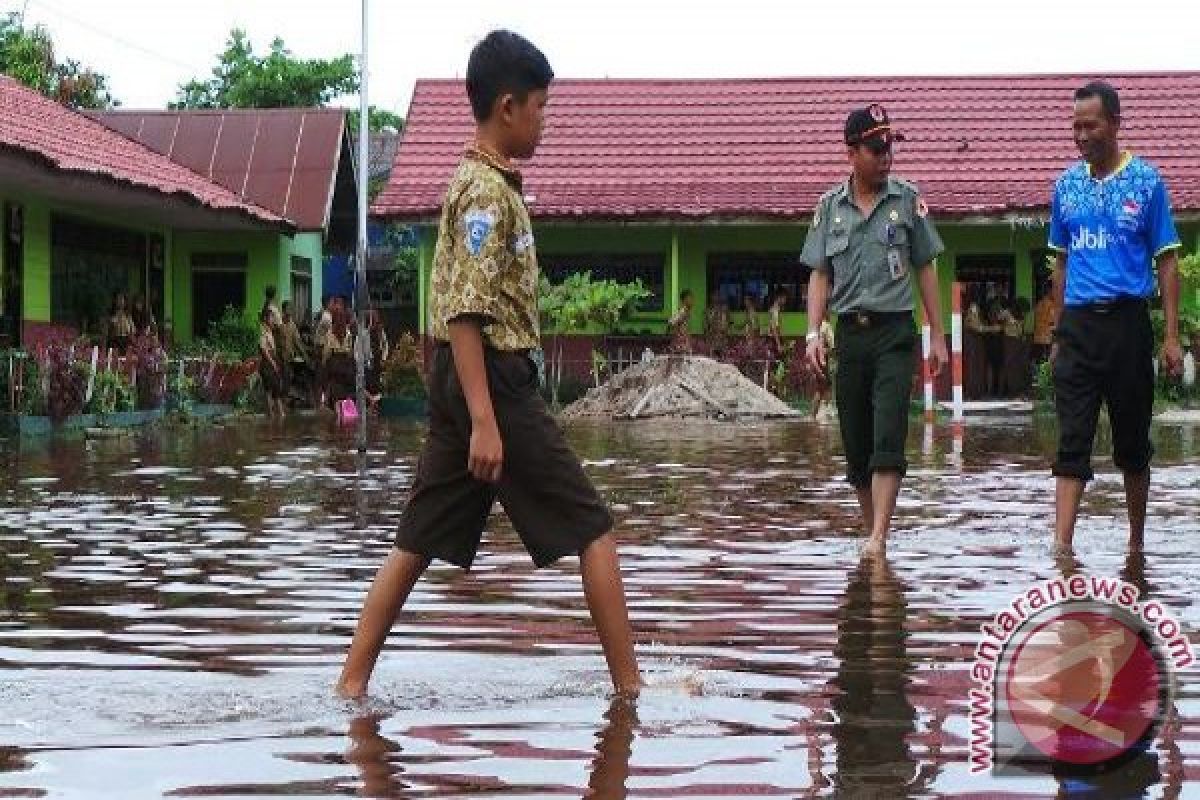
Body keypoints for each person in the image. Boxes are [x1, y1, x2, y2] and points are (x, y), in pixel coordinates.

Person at [336, 30, 640, 699]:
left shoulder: (489, 184)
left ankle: (350, 686)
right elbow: (467, 313)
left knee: (415, 538)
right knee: (594, 528)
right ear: (508, 108)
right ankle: (631, 694)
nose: (545, 120)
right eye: (540, 107)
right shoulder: (483, 195)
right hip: (490, 381)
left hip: (467, 379)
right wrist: (484, 419)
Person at [802, 103, 948, 557]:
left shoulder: (907, 200)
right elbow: (819, 275)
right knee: (857, 440)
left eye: (890, 146)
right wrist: (812, 333)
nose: (886, 156)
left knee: (888, 431)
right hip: (850, 335)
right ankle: (873, 533)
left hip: (894, 333)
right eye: (876, 147)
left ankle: (879, 536)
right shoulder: (829, 208)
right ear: (852, 152)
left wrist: (937, 335)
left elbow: (925, 267)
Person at [1047, 80, 1183, 554]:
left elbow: (1167, 260)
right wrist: (1058, 331)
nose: (1081, 135)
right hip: (1079, 326)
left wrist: (1170, 337)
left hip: (1128, 326)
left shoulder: (1147, 183)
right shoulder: (1065, 187)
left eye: (1090, 125)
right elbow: (1060, 263)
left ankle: (1136, 544)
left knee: (1131, 443)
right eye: (1075, 127)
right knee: (1072, 438)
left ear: (1115, 124)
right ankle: (1062, 549)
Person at [257, 307, 286, 418]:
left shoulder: (270, 330)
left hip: (272, 361)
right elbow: (264, 350)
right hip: (267, 363)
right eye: (271, 317)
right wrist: (273, 363)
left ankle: (280, 413)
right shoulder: (263, 332)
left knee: (276, 388)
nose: (273, 319)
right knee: (269, 389)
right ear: (265, 318)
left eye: (273, 317)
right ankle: (271, 414)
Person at [279, 301, 310, 405]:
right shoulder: (279, 324)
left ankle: (284, 401)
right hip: (279, 357)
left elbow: (297, 341)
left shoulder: (292, 325)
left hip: (289, 358)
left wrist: (305, 355)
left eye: (291, 308)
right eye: (289, 308)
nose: (291, 310)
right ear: (283, 310)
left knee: (288, 378)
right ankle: (280, 402)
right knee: (281, 380)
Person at [703, 290, 730, 359]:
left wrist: (725, 331)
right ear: (711, 298)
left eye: (717, 296)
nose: (716, 298)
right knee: (712, 355)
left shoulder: (724, 308)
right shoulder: (708, 310)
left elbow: (727, 321)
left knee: (722, 354)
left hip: (721, 335)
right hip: (712, 335)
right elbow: (705, 323)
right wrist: (706, 333)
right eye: (714, 296)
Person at [667, 289, 694, 354]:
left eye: (692, 299)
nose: (692, 301)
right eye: (690, 299)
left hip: (683, 339)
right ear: (684, 300)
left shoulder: (686, 311)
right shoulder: (683, 311)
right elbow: (671, 322)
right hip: (680, 341)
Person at [767, 287, 789, 357]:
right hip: (774, 339)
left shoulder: (775, 309)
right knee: (778, 362)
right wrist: (778, 344)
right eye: (784, 298)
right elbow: (774, 328)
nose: (785, 300)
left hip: (774, 339)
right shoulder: (775, 310)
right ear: (779, 297)